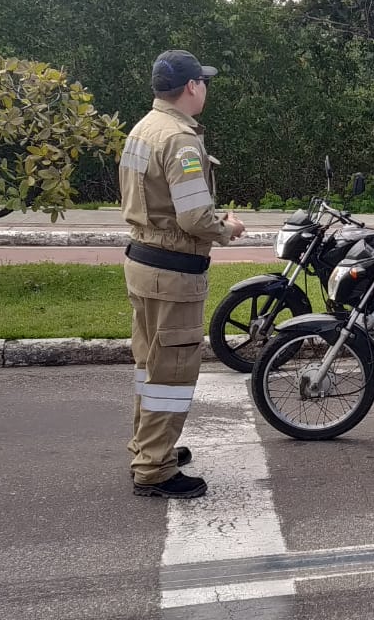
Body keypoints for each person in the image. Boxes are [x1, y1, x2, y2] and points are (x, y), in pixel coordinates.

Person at [119, 50, 246, 499]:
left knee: (148, 365)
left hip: (143, 262)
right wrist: (227, 228)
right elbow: (194, 218)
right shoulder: (180, 139)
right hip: (173, 272)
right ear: (192, 86)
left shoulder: (144, 128)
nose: (205, 88)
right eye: (203, 82)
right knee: (171, 373)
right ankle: (154, 468)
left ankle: (147, 446)